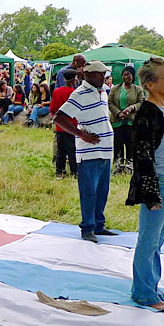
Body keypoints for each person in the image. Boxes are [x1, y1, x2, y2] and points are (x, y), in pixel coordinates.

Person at [126, 57, 164, 311]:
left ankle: (152, 287)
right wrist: (150, 193)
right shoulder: (147, 112)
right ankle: (143, 293)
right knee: (148, 240)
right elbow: (142, 154)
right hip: (159, 181)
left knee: (158, 240)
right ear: (150, 84)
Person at [54, 60, 117, 243]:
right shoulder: (79, 94)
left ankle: (99, 224)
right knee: (89, 191)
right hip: (90, 151)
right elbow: (59, 118)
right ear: (89, 75)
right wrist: (81, 134)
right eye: (101, 74)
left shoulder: (103, 91)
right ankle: (87, 228)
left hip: (105, 149)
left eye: (105, 74)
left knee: (102, 190)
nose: (104, 77)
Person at [108, 66, 145, 172]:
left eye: (128, 75)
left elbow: (142, 102)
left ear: (133, 77)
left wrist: (132, 108)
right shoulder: (115, 89)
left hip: (131, 122)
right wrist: (118, 113)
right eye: (124, 75)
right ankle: (118, 166)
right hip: (117, 122)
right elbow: (109, 102)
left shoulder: (138, 89)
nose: (126, 77)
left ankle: (130, 165)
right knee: (118, 144)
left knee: (131, 144)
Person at [50, 69, 78, 179]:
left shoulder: (56, 91)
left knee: (60, 150)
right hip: (72, 126)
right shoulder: (74, 93)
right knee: (72, 150)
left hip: (60, 126)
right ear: (72, 79)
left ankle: (59, 172)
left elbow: (52, 109)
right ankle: (74, 172)